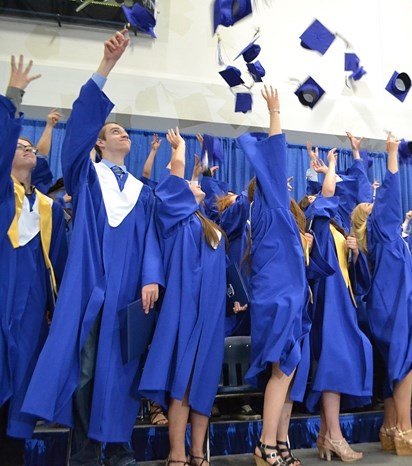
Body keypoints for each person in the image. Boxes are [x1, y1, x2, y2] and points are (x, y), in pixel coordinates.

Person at [22, 29, 164, 466]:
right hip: (90, 286)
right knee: (85, 370)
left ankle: (118, 445)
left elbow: (150, 242)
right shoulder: (86, 177)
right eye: (114, 130)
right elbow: (79, 126)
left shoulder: (142, 192)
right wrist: (105, 68)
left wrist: (151, 278)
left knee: (121, 369)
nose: (123, 135)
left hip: (127, 292)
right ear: (99, 144)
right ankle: (84, 449)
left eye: (124, 131)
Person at [138, 128, 226, 466]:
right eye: (191, 184)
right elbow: (175, 183)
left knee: (203, 385)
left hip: (211, 315)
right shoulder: (174, 217)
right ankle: (176, 454)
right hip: (184, 307)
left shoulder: (208, 225)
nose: (198, 186)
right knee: (183, 382)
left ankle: (197, 454)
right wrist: (181, 149)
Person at [237, 86, 311, 466]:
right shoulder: (270, 208)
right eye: (278, 181)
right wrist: (276, 113)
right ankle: (266, 445)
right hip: (279, 297)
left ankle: (275, 443)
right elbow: (276, 154)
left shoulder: (274, 218)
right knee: (282, 369)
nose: (285, 184)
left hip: (286, 296)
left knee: (286, 369)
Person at [0, 55, 67, 466]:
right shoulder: (3, 196)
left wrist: (51, 308)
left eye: (31, 148)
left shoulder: (47, 208)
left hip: (28, 318)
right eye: (18, 145)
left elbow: (54, 263)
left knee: (20, 392)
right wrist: (13, 94)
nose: (27, 149)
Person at [350, 135, 412, 457]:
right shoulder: (382, 228)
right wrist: (392, 154)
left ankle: (389, 427)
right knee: (405, 364)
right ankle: (406, 431)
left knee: (398, 366)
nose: (374, 199)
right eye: (371, 202)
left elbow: (367, 195)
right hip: (396, 306)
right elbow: (391, 190)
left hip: (391, 304)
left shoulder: (380, 236)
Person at [304, 147, 372, 462]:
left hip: (343, 298)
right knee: (334, 362)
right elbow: (330, 191)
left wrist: (354, 252)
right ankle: (334, 435)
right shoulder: (316, 223)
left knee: (341, 359)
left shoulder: (336, 228)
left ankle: (324, 434)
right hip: (328, 302)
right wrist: (329, 165)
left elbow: (350, 269)